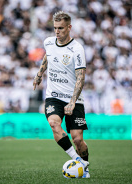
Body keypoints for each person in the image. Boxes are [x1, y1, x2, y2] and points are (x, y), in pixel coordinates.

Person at [33, 11, 90, 178]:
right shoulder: (49, 42)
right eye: (55, 28)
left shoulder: (77, 49)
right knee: (54, 124)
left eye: (61, 28)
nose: (57, 32)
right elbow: (47, 57)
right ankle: (79, 162)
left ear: (69, 27)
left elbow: (81, 77)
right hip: (53, 96)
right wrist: (39, 74)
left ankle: (84, 165)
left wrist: (72, 102)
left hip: (73, 98)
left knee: (78, 140)